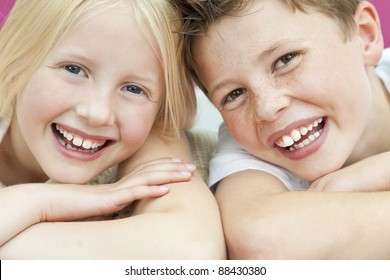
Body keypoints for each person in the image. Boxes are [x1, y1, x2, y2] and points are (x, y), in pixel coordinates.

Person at [0, 0, 226, 259]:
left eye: (133, 89)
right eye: (74, 69)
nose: (97, 113)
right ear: (17, 59)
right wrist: (39, 200)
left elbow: (190, 252)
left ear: (161, 108)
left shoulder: (152, 145)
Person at [177, 0, 390, 259]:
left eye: (285, 60)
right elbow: (259, 238)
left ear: (365, 35)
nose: (266, 108)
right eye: (234, 94)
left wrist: (367, 176)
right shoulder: (249, 149)